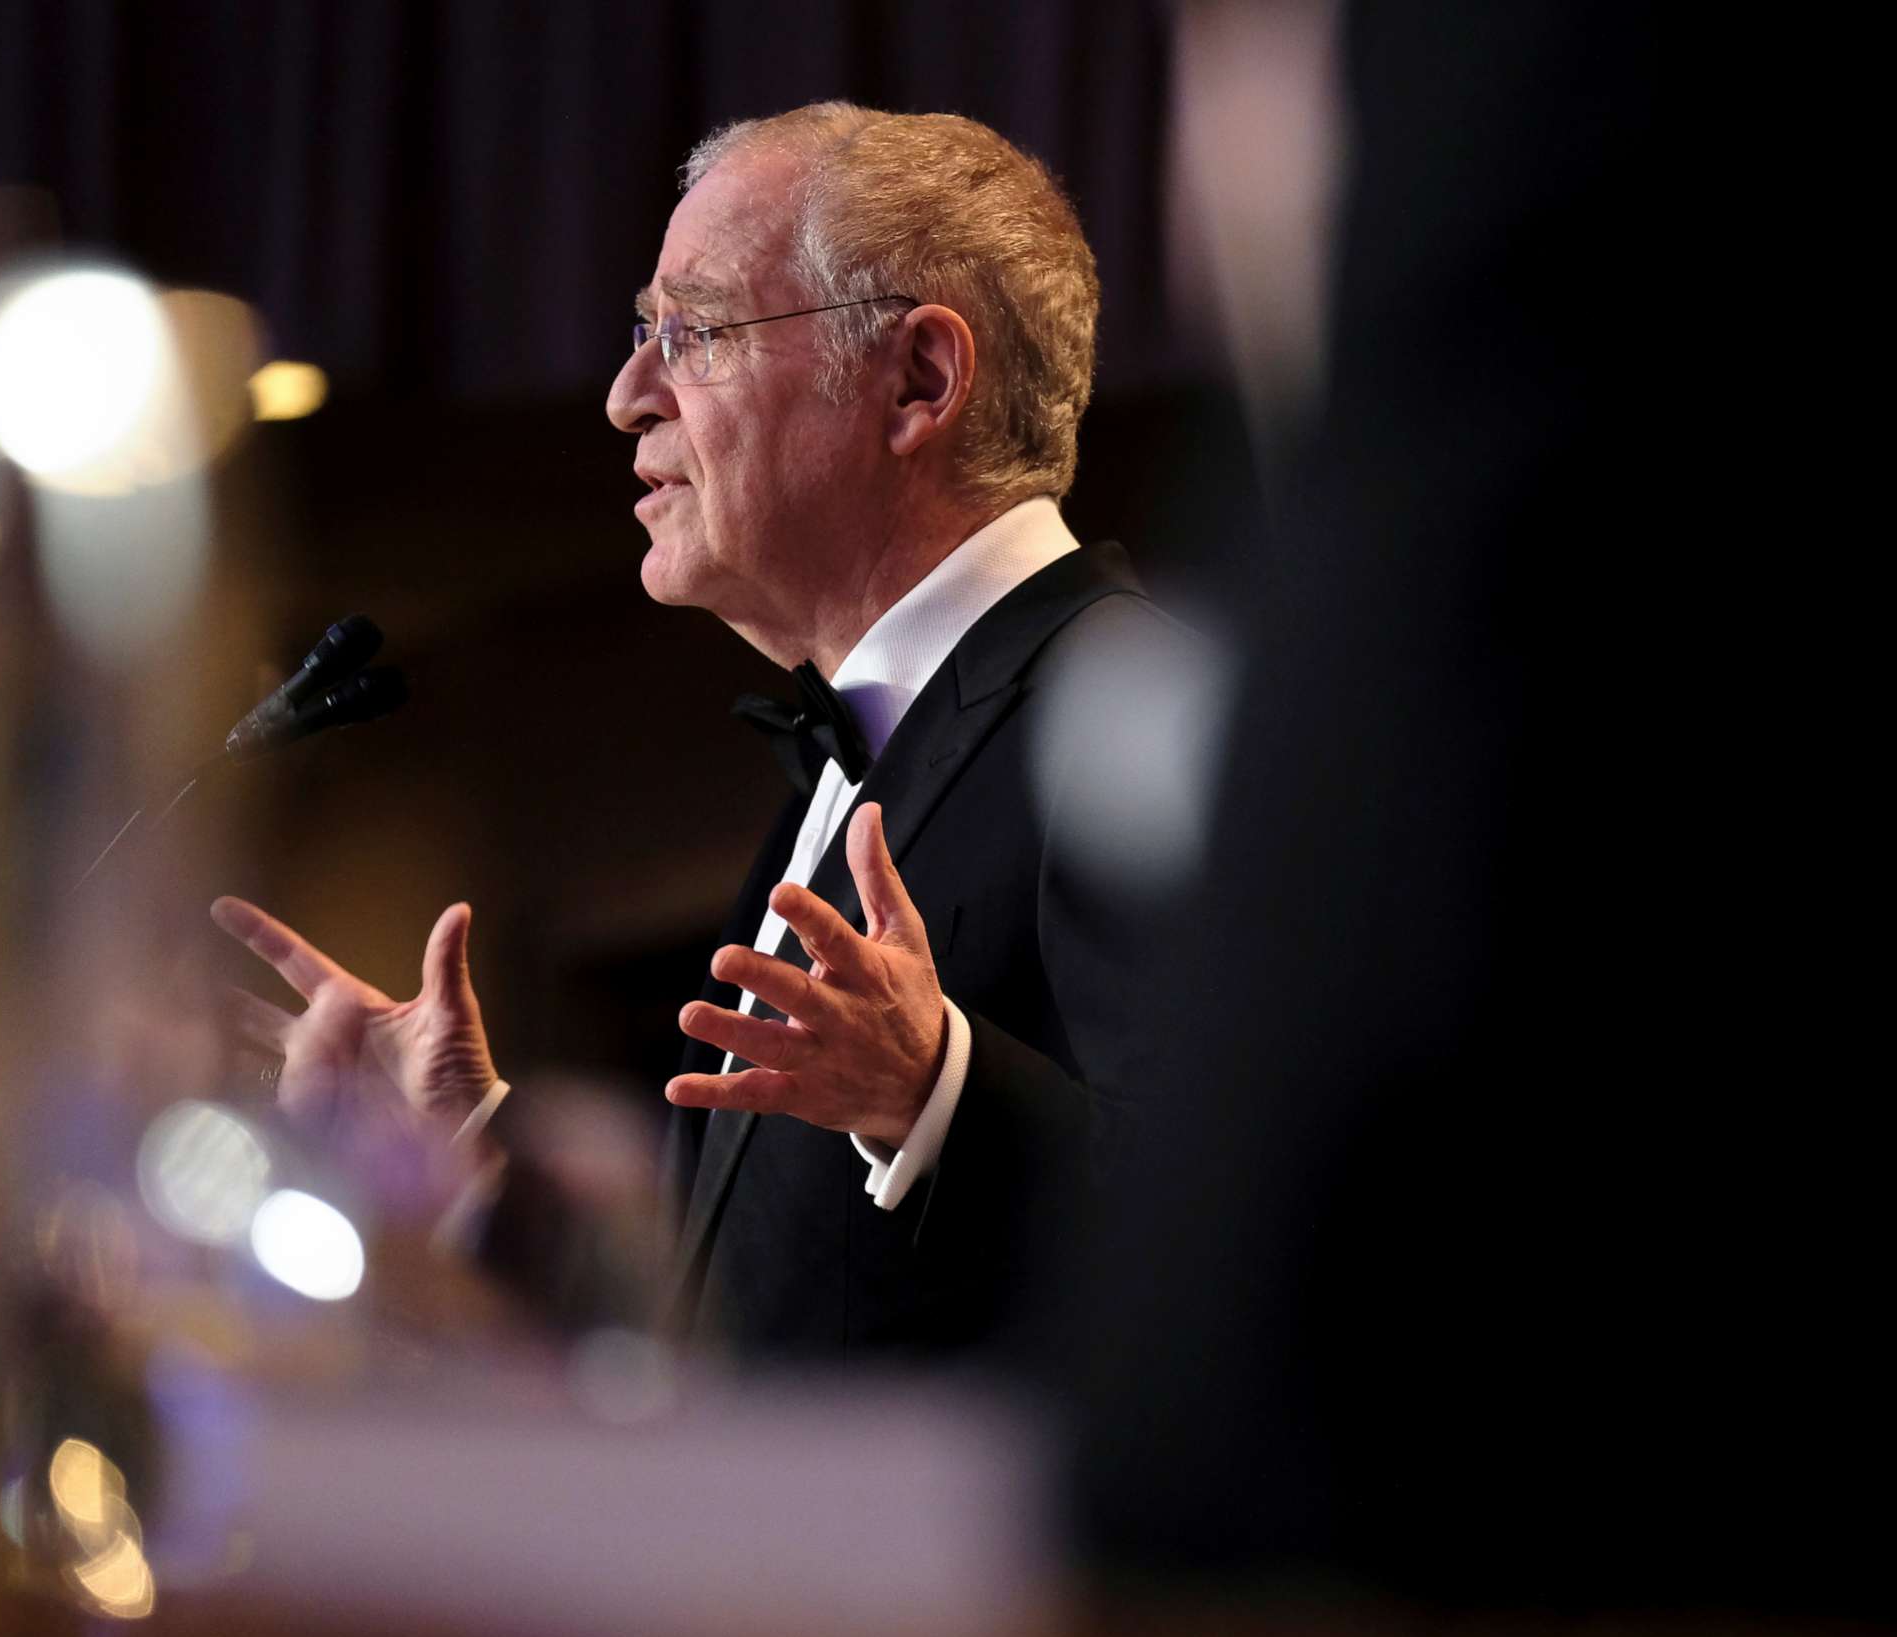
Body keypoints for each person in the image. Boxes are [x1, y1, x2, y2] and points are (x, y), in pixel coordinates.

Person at [212, 103, 1179, 1361]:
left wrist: (937, 1090)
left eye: (698, 331)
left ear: (921, 382)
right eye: (640, 332)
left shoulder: (1119, 717)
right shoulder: (833, 775)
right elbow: (743, 1318)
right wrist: (465, 1150)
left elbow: (1273, 1233)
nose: (626, 397)